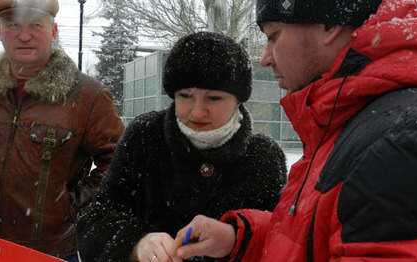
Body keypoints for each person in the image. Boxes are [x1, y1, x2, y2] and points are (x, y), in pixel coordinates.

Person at [167, 0, 417, 261]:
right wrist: (240, 239)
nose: (266, 58)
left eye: (273, 36)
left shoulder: (407, 141)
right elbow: (317, 240)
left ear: (330, 25)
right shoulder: (358, 118)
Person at [76, 31, 288, 262]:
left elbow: (277, 241)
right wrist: (136, 242)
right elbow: (94, 220)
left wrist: (230, 243)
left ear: (238, 100)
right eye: (185, 95)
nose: (197, 111)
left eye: (213, 98)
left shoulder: (263, 158)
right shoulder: (144, 137)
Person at [0, 0, 124, 261]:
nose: (24, 35)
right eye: (14, 25)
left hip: (49, 252)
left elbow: (120, 162)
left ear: (53, 31)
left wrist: (70, 208)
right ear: (0, 32)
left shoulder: (89, 96)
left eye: (35, 25)